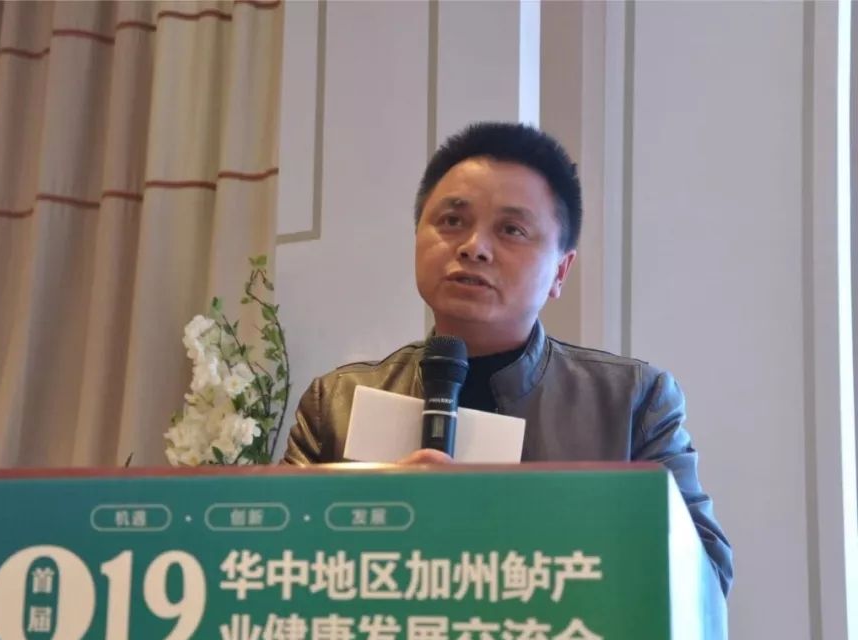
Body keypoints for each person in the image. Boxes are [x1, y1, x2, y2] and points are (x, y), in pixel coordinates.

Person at [282, 122, 734, 597]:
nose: (473, 247)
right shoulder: (339, 402)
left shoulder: (632, 403)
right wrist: (380, 524)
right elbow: (270, 570)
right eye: (452, 221)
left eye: (512, 230)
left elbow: (705, 583)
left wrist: (503, 526)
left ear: (560, 271)